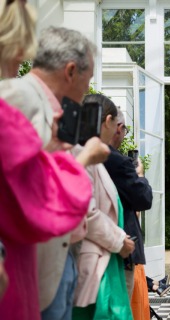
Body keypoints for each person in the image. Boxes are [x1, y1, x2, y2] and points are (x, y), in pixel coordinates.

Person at [0, 1, 109, 319]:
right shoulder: (17, 96)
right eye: (87, 79)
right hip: (30, 261)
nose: (87, 89)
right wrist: (84, 157)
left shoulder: (57, 112)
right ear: (71, 70)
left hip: (60, 258)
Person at [72, 94, 135, 320]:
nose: (117, 132)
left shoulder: (93, 156)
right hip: (96, 261)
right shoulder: (82, 154)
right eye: (116, 125)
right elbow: (85, 212)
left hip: (106, 259)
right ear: (107, 121)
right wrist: (120, 240)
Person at [103, 108, 162, 319]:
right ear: (117, 127)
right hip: (120, 247)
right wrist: (140, 175)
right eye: (125, 129)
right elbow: (143, 199)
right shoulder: (116, 161)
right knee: (119, 309)